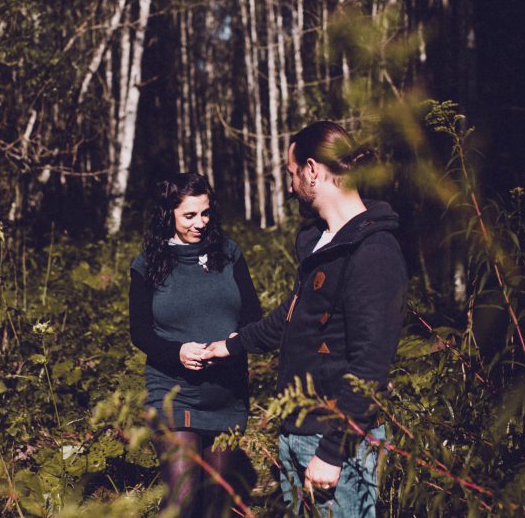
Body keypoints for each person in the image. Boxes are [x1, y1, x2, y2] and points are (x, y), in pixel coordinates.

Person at [203, 121, 408, 517]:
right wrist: (230, 345)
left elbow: (370, 366)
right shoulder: (323, 241)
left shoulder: (373, 252)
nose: (290, 185)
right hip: (298, 432)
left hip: (337, 446)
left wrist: (332, 452)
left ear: (312, 170)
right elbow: (293, 317)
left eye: (292, 173)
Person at [128, 173, 261, 517]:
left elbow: (252, 314)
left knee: (216, 506)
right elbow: (140, 332)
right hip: (174, 391)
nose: (200, 223)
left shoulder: (229, 254)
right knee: (183, 502)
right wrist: (177, 353)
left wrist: (233, 344)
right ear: (167, 214)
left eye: (205, 213)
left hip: (226, 392)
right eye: (189, 215)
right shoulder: (147, 265)